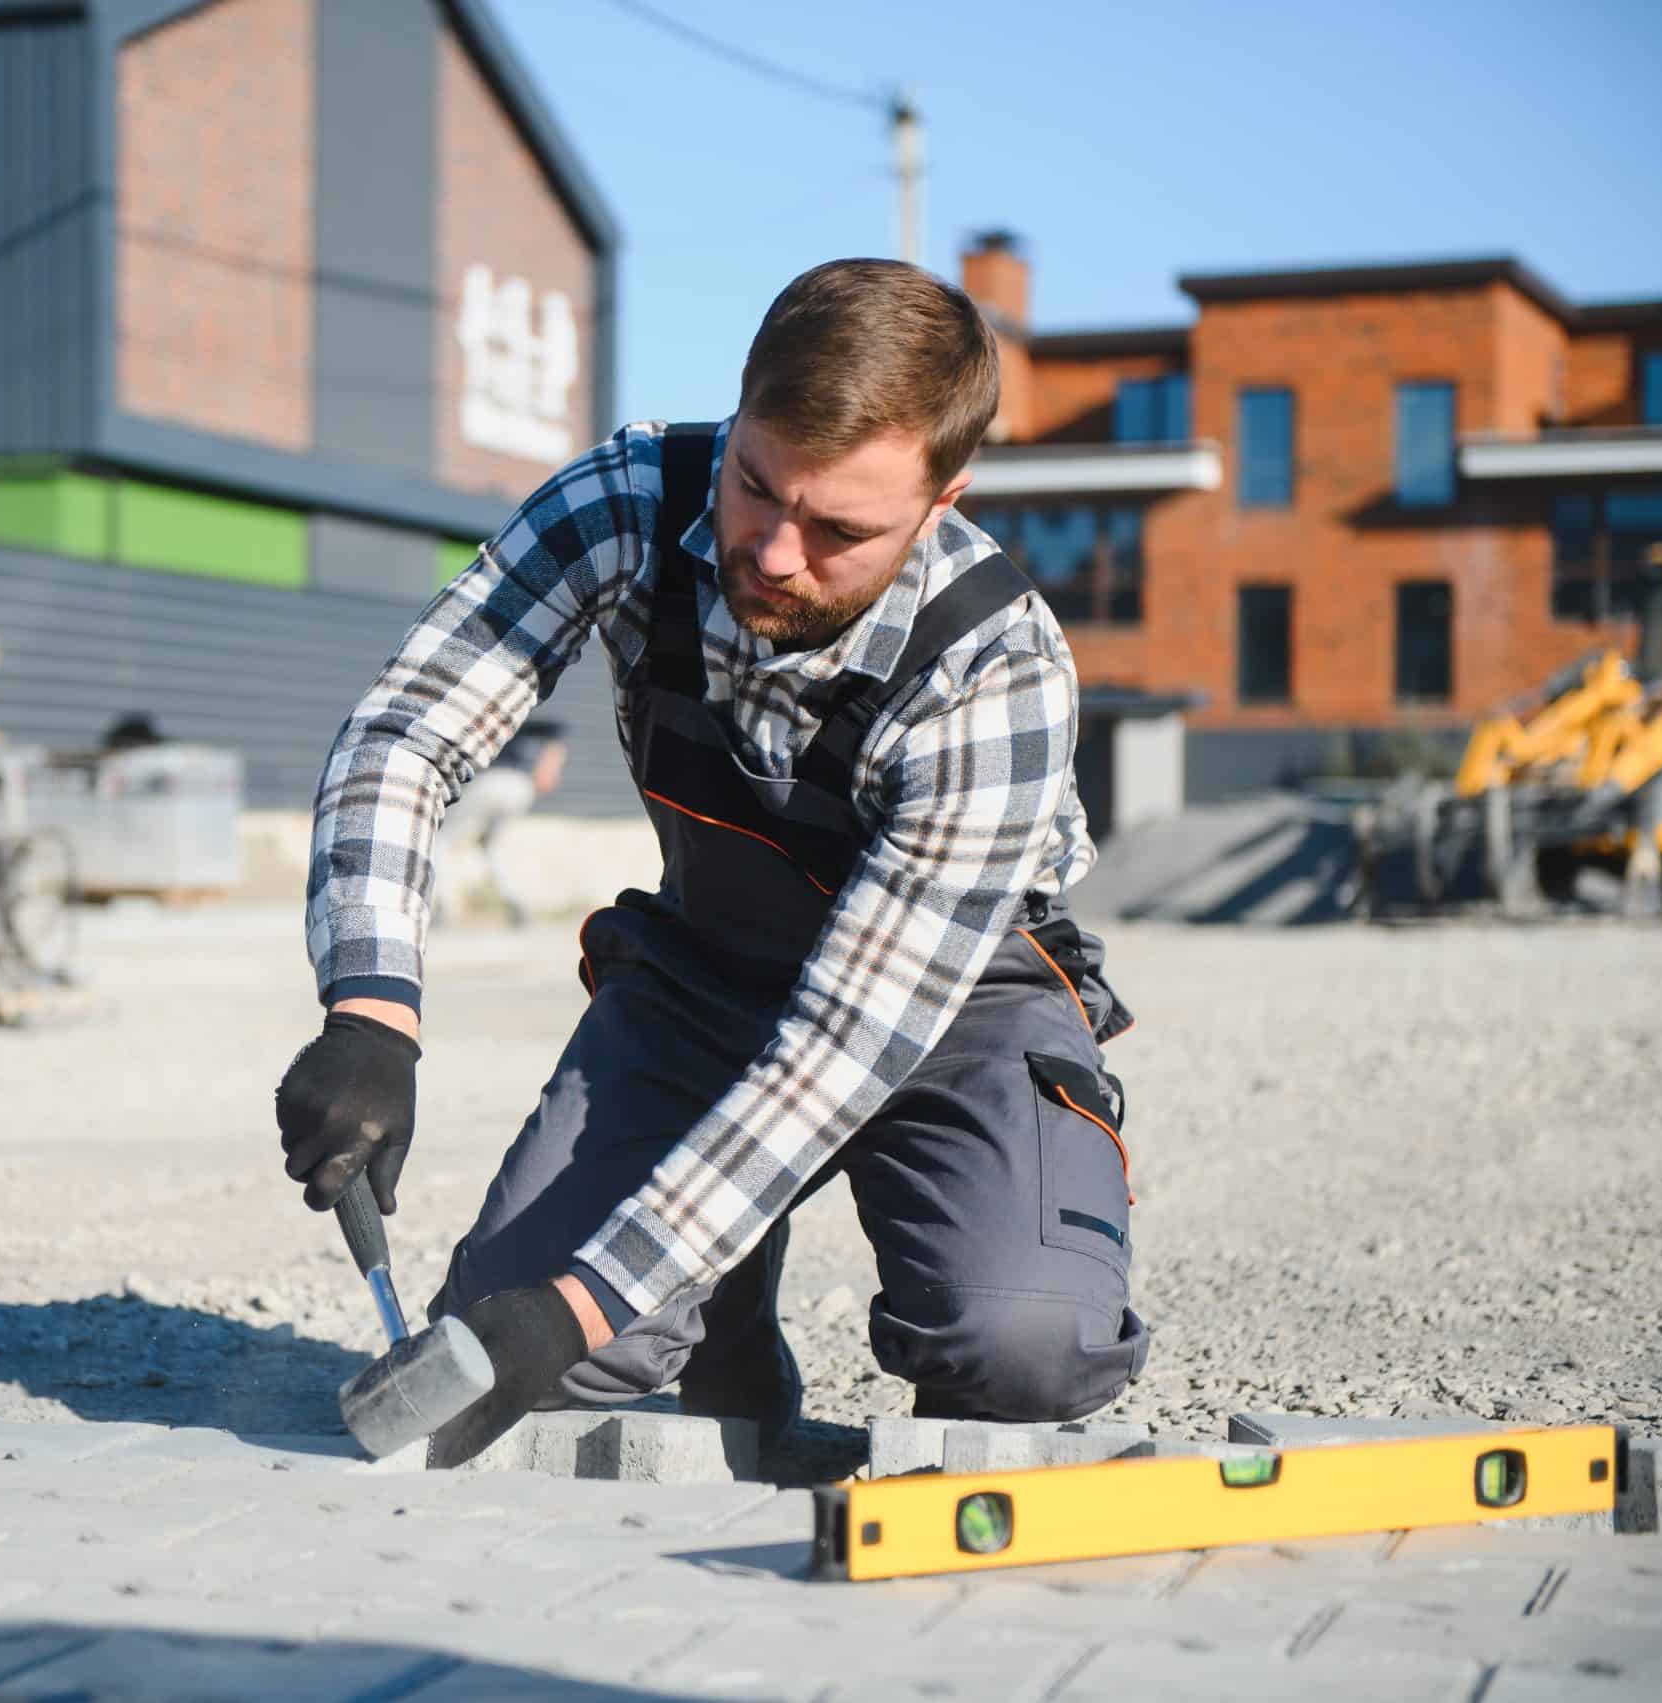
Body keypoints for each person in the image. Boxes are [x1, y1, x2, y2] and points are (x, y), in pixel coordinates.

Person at [275, 260, 1144, 1465]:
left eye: (838, 529)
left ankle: (749, 1260)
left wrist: (568, 1310)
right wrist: (370, 1011)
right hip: (709, 975)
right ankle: (720, 1301)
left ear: (941, 501)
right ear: (736, 421)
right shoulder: (632, 497)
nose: (775, 553)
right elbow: (409, 729)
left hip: (955, 1006)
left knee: (1022, 1348)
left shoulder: (993, 670)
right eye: (755, 486)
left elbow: (836, 1054)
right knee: (551, 1362)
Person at [430, 718, 568, 928]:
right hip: (522, 788)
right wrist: (549, 767)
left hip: (493, 781)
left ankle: (444, 907)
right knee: (489, 848)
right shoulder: (539, 726)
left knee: (441, 840)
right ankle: (515, 903)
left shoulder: (492, 723)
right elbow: (556, 740)